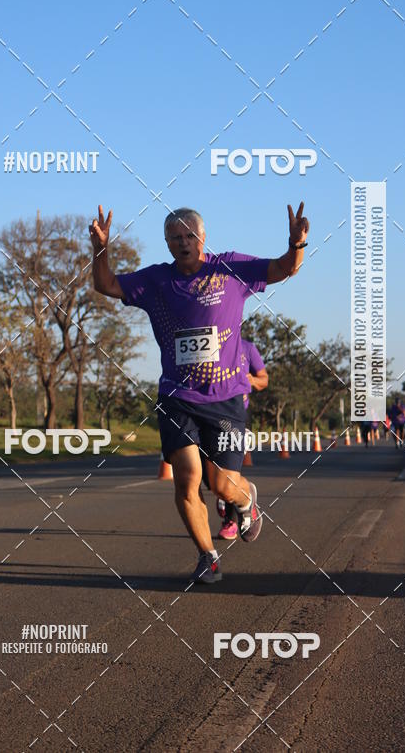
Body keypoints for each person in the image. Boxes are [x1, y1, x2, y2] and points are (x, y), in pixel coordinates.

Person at [89, 202, 309, 584]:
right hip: (177, 397)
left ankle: (246, 501)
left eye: (188, 235)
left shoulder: (231, 268)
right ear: (167, 244)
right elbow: (105, 284)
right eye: (174, 238)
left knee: (219, 484)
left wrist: (296, 243)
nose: (182, 242)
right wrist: (101, 250)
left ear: (202, 237)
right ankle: (208, 557)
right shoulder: (156, 281)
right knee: (188, 479)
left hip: (225, 398)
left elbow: (284, 268)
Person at [216, 338, 268, 540]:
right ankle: (233, 496)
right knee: (209, 472)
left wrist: (251, 380)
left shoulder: (248, 348)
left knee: (230, 469)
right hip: (205, 411)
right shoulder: (209, 343)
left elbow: (264, 379)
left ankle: (231, 521)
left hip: (234, 416)